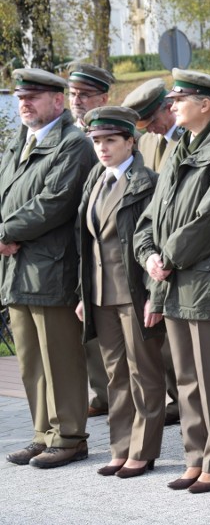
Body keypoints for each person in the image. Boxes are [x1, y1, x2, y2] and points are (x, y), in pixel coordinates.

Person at [134, 68, 210, 494]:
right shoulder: (180, 149)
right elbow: (150, 216)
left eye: (179, 99)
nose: (172, 106)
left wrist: (168, 255)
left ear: (206, 105)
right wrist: (148, 254)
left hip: (203, 277)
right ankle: (195, 456)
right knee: (184, 375)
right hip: (171, 278)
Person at [2, 68, 97, 469]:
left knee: (59, 359)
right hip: (18, 269)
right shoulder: (20, 143)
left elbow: (53, 202)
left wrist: (5, 231)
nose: (25, 104)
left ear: (57, 102)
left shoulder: (72, 145)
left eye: (34, 98)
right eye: (22, 98)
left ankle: (71, 435)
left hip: (53, 269)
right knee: (31, 360)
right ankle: (43, 434)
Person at [75, 106, 166, 478]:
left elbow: (153, 240)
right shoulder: (96, 179)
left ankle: (143, 451)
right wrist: (84, 294)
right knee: (115, 374)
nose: (102, 148)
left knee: (143, 371)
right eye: (97, 141)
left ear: (131, 141)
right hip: (101, 294)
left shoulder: (147, 181)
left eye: (111, 140)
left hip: (133, 291)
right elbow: (86, 243)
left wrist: (154, 297)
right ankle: (121, 446)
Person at [122, 77, 185, 427]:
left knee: (182, 347)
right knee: (159, 340)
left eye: (156, 120)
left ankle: (187, 401)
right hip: (152, 253)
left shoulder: (188, 140)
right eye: (147, 126)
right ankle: (175, 400)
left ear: (167, 107)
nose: (155, 129)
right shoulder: (147, 142)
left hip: (181, 253)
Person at [67, 62, 115, 418]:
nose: (77, 101)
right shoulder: (69, 135)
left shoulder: (116, 132)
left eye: (85, 94)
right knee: (88, 327)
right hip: (76, 243)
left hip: (109, 244)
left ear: (103, 97)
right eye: (73, 94)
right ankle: (101, 394)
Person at [122, 78, 184, 172]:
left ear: (169, 108)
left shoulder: (189, 136)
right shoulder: (145, 141)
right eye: (145, 126)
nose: (150, 130)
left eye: (153, 122)